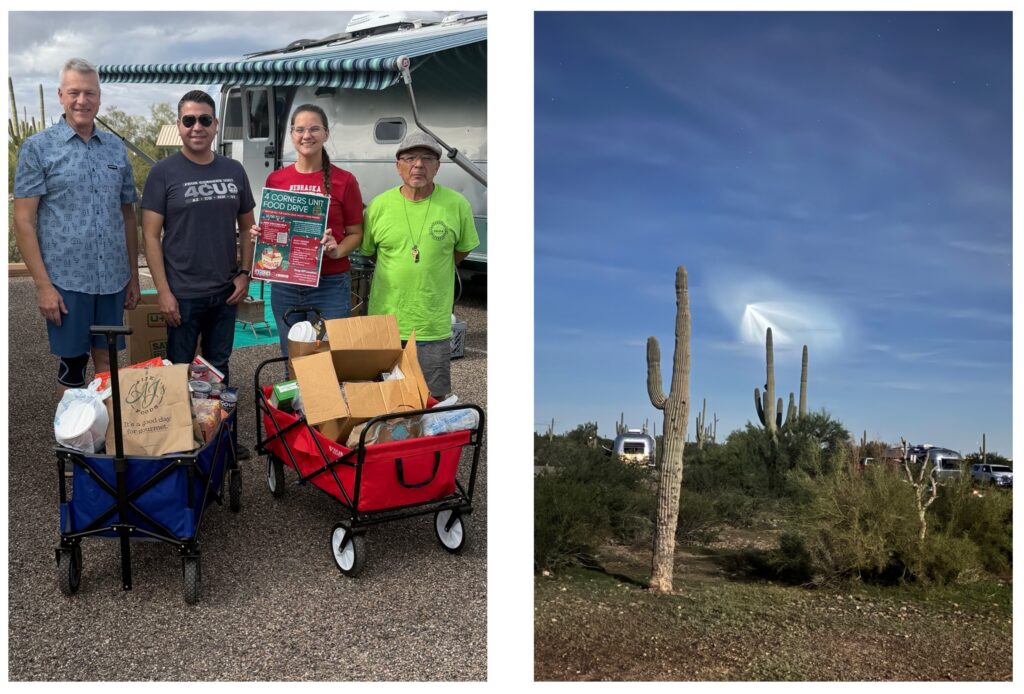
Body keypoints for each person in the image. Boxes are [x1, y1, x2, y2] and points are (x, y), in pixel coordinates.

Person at [13, 57, 140, 394]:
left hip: (112, 277)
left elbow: (128, 215)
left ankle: (107, 426)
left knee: (108, 359)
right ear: (60, 96)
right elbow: (23, 220)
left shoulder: (116, 149)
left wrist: (132, 276)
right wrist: (43, 286)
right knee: (72, 365)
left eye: (89, 93)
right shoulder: (38, 148)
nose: (82, 101)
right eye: (74, 93)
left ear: (99, 97)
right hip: (67, 279)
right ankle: (73, 428)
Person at [141, 90, 255, 385]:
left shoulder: (234, 170)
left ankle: (217, 417)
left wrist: (245, 274)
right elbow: (151, 236)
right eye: (189, 120)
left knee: (218, 367)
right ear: (178, 125)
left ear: (215, 125)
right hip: (182, 294)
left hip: (226, 291)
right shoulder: (162, 173)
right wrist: (163, 292)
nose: (197, 127)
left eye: (205, 120)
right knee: (178, 369)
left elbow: (247, 227)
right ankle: (182, 418)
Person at [361, 131, 479, 399]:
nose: (418, 165)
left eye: (427, 158)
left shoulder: (457, 205)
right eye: (410, 158)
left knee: (432, 400)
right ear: (398, 166)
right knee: (383, 399)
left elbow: (463, 248)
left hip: (431, 325)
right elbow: (369, 252)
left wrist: (434, 265)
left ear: (437, 166)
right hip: (385, 324)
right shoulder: (379, 206)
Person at [248, 104, 364, 356]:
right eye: (299, 130)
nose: (306, 135)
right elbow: (274, 229)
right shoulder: (276, 179)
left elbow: (356, 233)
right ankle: (293, 386)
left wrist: (337, 250)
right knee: (292, 356)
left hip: (330, 284)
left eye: (314, 129)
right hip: (286, 285)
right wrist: (261, 235)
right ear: (291, 135)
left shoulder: (345, 181)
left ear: (326, 133)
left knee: (327, 355)